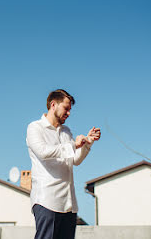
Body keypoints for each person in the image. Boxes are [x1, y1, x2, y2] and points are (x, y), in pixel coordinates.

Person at [26, 89, 101, 239]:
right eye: (66, 109)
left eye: (70, 110)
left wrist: (87, 144)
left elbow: (75, 160)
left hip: (69, 204)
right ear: (53, 105)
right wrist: (74, 145)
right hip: (47, 201)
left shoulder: (66, 131)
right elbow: (43, 152)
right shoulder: (35, 127)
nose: (69, 113)